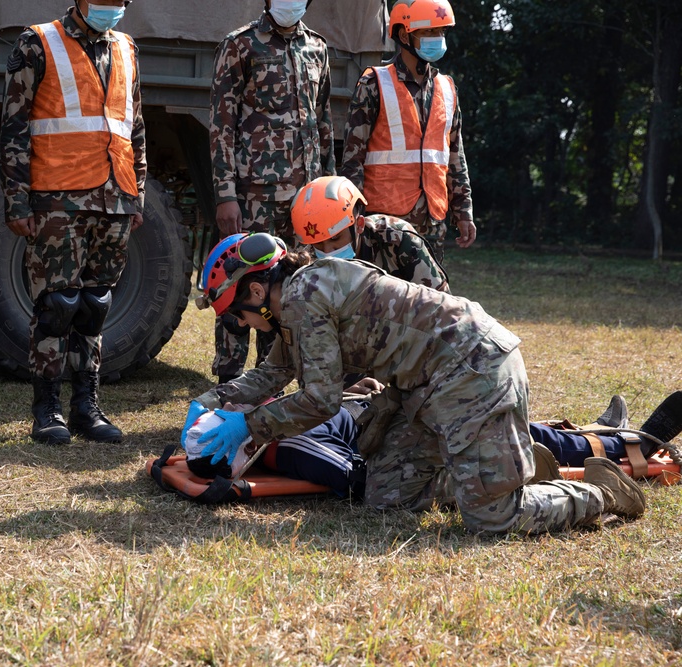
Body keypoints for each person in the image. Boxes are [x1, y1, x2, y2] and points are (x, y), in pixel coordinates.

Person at [185, 232, 647, 534]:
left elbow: (321, 401)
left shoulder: (305, 297)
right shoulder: (298, 302)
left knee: (492, 520)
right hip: (430, 385)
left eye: (235, 315)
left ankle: (599, 494)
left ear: (257, 291)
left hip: (472, 369)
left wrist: (249, 426)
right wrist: (210, 403)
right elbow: (274, 372)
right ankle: (491, 472)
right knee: (385, 497)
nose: (241, 325)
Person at [0, 0, 145, 445]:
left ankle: (87, 408)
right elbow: (14, 126)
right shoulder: (39, 41)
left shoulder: (126, 47)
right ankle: (47, 411)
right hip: (57, 198)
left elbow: (134, 124)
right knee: (56, 304)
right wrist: (17, 200)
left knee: (94, 304)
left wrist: (138, 191)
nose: (112, 7)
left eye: (119, 1)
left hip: (114, 195)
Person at [184, 391, 682, 500]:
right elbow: (353, 473)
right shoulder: (284, 441)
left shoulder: (281, 443)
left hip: (392, 419)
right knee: (517, 430)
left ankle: (621, 440)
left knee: (518, 432)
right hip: (392, 418)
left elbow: (354, 476)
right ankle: (619, 439)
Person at [208, 0, 335, 385]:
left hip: (305, 202)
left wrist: (327, 190)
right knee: (240, 285)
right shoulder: (240, 45)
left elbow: (324, 122)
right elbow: (221, 125)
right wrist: (225, 193)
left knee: (291, 290)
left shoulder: (317, 47)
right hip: (253, 195)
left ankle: (273, 379)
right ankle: (229, 384)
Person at [339, 0, 474, 262]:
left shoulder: (447, 89)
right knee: (381, 300)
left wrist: (464, 211)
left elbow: (456, 158)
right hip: (383, 223)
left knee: (429, 299)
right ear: (404, 34)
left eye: (442, 32)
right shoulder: (374, 84)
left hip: (433, 223)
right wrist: (352, 218)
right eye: (429, 32)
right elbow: (352, 159)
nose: (438, 39)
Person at [290, 175, 448, 292]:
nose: (327, 252)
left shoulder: (396, 239)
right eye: (318, 243)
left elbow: (440, 303)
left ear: (359, 225)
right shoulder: (307, 258)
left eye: (335, 238)